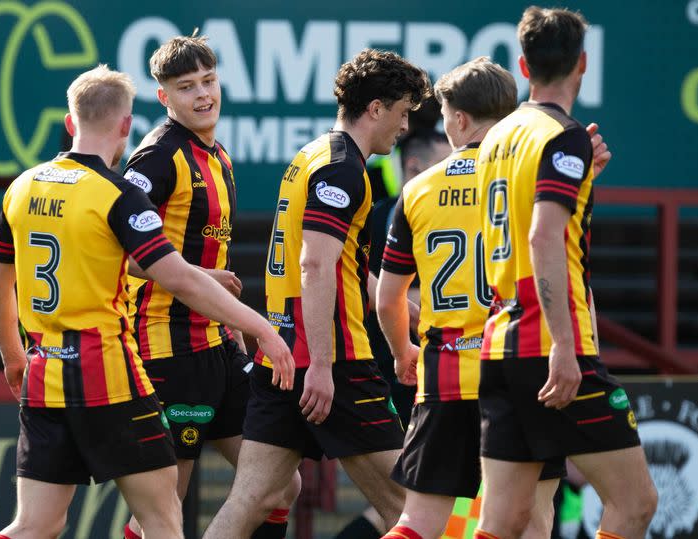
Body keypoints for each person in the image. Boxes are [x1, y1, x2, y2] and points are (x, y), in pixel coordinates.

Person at [0, 64, 294, 539]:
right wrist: (263, 328)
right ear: (127, 125)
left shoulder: (23, 187)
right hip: (110, 376)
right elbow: (182, 282)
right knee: (163, 516)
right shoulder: (118, 195)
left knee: (34, 524)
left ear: (70, 123)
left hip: (44, 373)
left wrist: (13, 359)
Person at [202, 49, 432, 539]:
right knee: (412, 507)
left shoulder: (314, 155)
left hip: (285, 356)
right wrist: (324, 366)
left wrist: (409, 316)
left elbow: (341, 262)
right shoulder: (343, 169)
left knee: (253, 499)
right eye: (403, 111)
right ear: (376, 108)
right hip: (333, 361)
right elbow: (315, 263)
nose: (405, 125)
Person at [475, 7, 657, 539]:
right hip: (551, 344)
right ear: (583, 63)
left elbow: (524, 223)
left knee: (502, 522)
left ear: (524, 67)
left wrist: (586, 176)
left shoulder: (499, 137)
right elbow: (542, 236)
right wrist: (562, 344)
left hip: (500, 345)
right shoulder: (565, 135)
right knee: (636, 504)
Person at [376, 57, 564, 539]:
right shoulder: (528, 185)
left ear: (459, 119)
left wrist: (403, 353)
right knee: (531, 520)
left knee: (416, 522)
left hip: (443, 374)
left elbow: (388, 297)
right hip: (518, 366)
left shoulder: (417, 190)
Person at [121, 33, 300, 539]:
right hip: (169, 352)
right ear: (164, 98)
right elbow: (125, 253)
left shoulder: (216, 153)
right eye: (186, 87)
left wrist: (228, 321)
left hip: (220, 349)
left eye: (209, 81)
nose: (203, 94)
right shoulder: (157, 158)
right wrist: (202, 280)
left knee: (281, 487)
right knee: (162, 507)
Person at [337, 125, 451, 539]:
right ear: (415, 167)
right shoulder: (389, 216)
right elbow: (393, 297)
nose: (452, 176)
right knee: (410, 501)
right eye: (445, 166)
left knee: (407, 503)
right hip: (401, 373)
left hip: (422, 371)